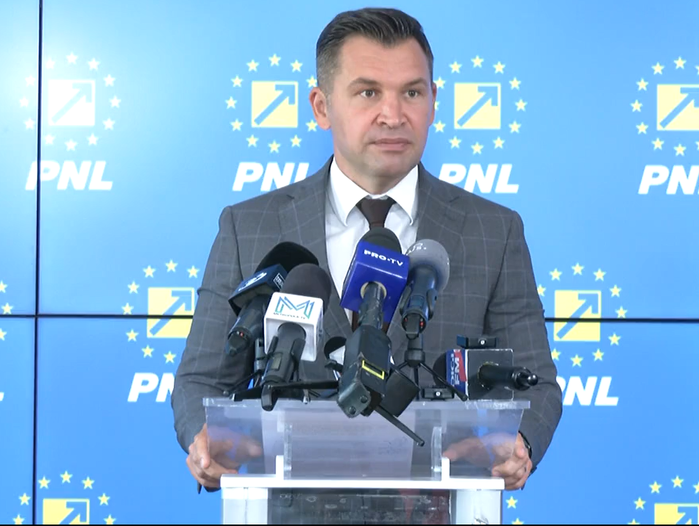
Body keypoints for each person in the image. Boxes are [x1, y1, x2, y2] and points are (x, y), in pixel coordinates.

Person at [172, 7, 562, 495]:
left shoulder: (493, 231)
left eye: (412, 93)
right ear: (321, 106)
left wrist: (520, 442)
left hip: (438, 508)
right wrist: (206, 440)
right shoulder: (249, 226)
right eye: (368, 92)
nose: (393, 115)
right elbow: (201, 380)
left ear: (434, 102)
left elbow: (536, 384)